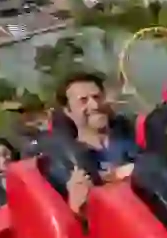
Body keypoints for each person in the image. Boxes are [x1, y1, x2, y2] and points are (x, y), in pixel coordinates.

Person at [56, 71, 140, 213]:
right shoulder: (69, 160)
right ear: (68, 111)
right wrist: (76, 208)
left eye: (97, 97)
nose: (95, 105)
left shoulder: (134, 133)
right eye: (83, 100)